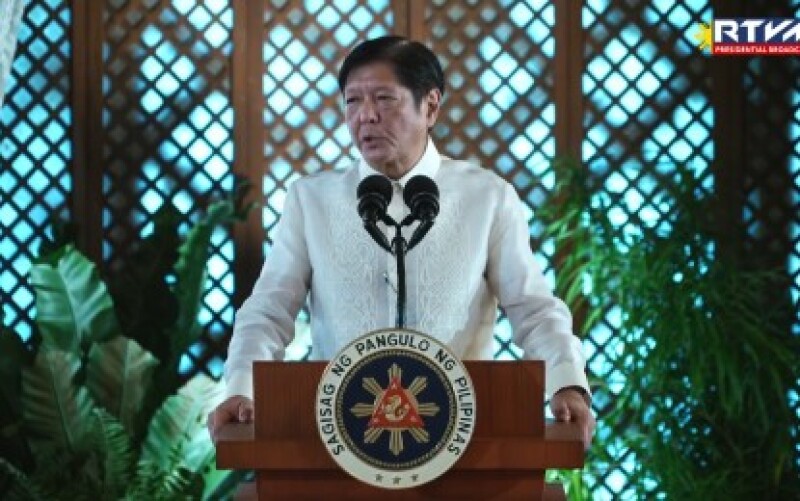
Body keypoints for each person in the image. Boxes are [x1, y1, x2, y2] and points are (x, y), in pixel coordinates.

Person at [208, 35, 595, 448]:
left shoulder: (487, 197)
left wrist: (566, 383)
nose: (366, 116)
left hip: (461, 438)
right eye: (353, 101)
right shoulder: (311, 199)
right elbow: (269, 311)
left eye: (384, 99)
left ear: (430, 106)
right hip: (340, 437)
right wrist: (241, 387)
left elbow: (533, 309)